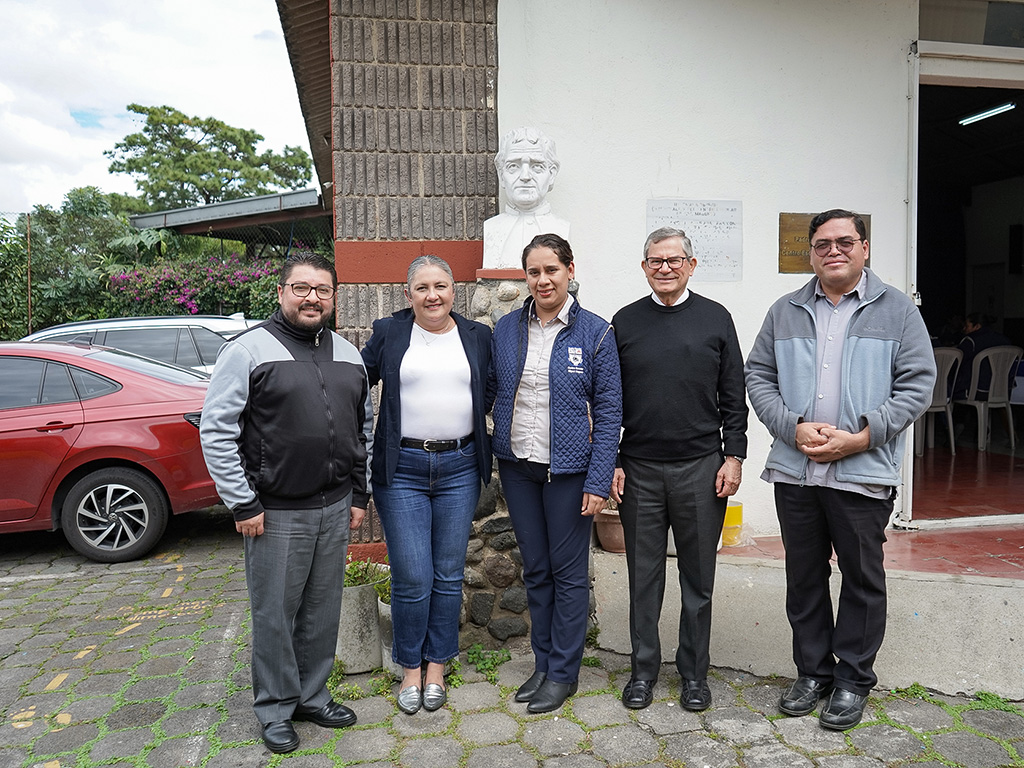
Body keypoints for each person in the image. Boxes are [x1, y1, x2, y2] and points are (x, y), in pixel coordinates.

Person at [745, 209, 935, 731]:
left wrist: (863, 436)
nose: (834, 250)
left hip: (863, 470)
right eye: (823, 243)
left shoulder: (897, 311)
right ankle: (813, 673)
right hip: (796, 469)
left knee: (861, 579)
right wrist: (793, 427)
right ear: (810, 252)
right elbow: (758, 375)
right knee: (804, 578)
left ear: (865, 248)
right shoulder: (784, 311)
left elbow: (918, 384)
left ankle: (852, 680)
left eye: (845, 241)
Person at [200, 253, 373, 753]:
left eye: (322, 289)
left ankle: (312, 696)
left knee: (322, 609)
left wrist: (358, 492)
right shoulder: (248, 351)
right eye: (301, 288)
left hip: (336, 504)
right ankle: (275, 707)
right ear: (280, 293)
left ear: (334, 297)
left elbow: (360, 430)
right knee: (275, 613)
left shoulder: (348, 353)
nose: (312, 297)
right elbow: (216, 430)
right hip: (274, 511)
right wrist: (242, 501)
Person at [610, 227, 748, 713]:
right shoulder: (624, 322)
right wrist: (614, 461)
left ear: (691, 264)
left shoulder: (715, 318)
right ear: (644, 267)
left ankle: (694, 674)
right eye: (654, 260)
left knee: (698, 578)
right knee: (642, 577)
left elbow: (734, 393)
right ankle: (643, 671)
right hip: (640, 469)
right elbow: (609, 400)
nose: (664, 267)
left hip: (701, 468)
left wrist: (734, 455)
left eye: (674, 259)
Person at [490, 233, 621, 713]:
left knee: (567, 575)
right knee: (538, 571)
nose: (542, 280)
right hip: (519, 466)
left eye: (551, 270)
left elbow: (609, 413)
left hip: (569, 472)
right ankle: (543, 665)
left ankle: (564, 673)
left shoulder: (596, 333)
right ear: (525, 277)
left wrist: (598, 479)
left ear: (569, 269)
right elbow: (490, 391)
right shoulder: (506, 329)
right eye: (533, 272)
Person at [360, 255, 492, 715]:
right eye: (422, 288)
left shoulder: (477, 336)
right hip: (403, 470)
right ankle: (409, 668)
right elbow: (356, 385)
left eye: (441, 286)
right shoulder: (390, 333)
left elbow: (489, 389)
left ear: (454, 290)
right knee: (413, 575)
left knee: (448, 574)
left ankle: (437, 665)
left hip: (459, 465)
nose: (432, 295)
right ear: (407, 294)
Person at [483, 128, 571, 269]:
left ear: (552, 174)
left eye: (536, 167)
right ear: (501, 175)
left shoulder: (562, 227)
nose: (525, 176)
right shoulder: (491, 228)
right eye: (513, 166)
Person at [952, 312, 1012, 400]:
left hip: (976, 391)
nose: (964, 329)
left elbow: (956, 364)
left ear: (977, 326)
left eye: (967, 326)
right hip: (1003, 389)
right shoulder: (1005, 340)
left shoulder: (970, 342)